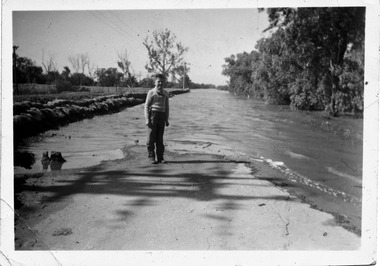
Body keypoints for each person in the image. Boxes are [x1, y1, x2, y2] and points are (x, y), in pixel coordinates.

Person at [144, 74, 170, 164]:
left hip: (162, 116)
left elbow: (167, 108)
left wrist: (166, 119)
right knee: (150, 138)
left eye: (162, 82)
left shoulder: (166, 93)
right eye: (158, 81)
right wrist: (147, 119)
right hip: (153, 116)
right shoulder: (151, 92)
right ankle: (151, 157)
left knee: (160, 139)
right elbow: (146, 106)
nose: (160, 83)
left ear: (164, 83)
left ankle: (160, 157)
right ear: (155, 82)